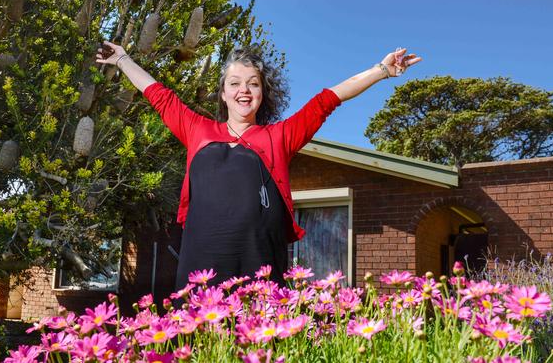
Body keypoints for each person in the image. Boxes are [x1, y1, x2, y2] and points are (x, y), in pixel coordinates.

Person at [96, 42, 421, 289]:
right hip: (200, 263)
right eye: (235, 83)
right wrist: (123, 58)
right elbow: (159, 95)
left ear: (263, 94)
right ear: (223, 93)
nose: (244, 91)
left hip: (259, 263)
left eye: (253, 84)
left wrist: (381, 70)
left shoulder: (279, 137)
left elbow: (327, 100)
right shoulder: (197, 130)